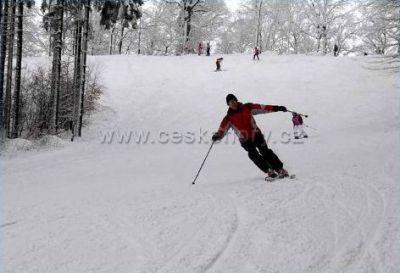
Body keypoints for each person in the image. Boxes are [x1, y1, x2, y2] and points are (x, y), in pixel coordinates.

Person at [212, 94, 289, 178]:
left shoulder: (247, 107)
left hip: (256, 134)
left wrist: (276, 108)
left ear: (236, 101)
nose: (233, 103)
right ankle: (268, 170)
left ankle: (280, 169)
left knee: (265, 151)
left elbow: (262, 108)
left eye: (234, 100)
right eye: (231, 102)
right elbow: (222, 128)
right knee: (253, 154)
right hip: (245, 140)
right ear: (228, 104)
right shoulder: (228, 118)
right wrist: (218, 135)